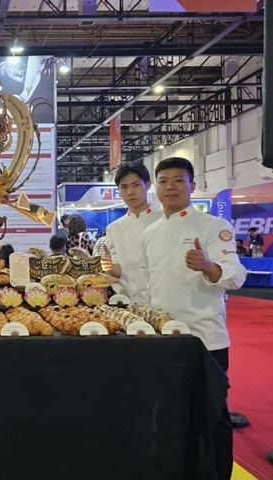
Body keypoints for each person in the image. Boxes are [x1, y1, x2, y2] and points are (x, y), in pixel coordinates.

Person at [142, 157, 246, 480]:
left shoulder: (214, 227)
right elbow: (151, 286)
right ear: (156, 188)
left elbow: (236, 276)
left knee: (212, 417)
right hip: (163, 339)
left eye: (178, 180)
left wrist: (207, 266)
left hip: (204, 339)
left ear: (192, 185)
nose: (170, 187)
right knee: (170, 416)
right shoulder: (151, 232)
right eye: (163, 181)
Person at [104, 161, 162, 304]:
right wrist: (107, 266)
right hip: (128, 302)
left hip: (162, 301)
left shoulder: (163, 219)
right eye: (124, 187)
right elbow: (119, 271)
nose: (130, 192)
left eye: (136, 185)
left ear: (148, 185)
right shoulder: (114, 228)